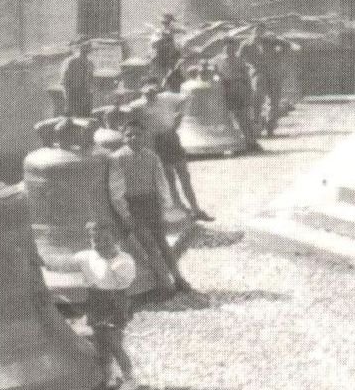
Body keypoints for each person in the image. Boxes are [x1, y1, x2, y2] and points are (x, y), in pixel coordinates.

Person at [109, 119, 193, 294]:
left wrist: (164, 206)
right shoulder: (117, 158)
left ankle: (178, 277)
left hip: (152, 204)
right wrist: (125, 214)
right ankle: (165, 283)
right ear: (123, 138)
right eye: (129, 135)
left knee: (163, 244)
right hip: (133, 207)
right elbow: (116, 190)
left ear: (144, 136)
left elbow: (161, 183)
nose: (133, 138)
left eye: (137, 134)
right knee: (149, 245)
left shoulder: (151, 157)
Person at [63, 221, 138, 390]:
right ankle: (110, 375)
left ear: (115, 240)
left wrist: (107, 262)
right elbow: (63, 263)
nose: (100, 244)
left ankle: (130, 378)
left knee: (114, 341)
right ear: (90, 241)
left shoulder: (123, 261)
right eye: (95, 240)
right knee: (100, 341)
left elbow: (122, 284)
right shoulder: (86, 256)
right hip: (95, 302)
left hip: (114, 302)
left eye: (106, 240)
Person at [129, 77, 213, 221]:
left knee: (184, 175)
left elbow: (187, 97)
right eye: (147, 89)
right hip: (156, 141)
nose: (151, 91)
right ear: (141, 89)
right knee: (169, 177)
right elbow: (135, 124)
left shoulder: (166, 97)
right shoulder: (137, 106)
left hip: (171, 138)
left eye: (153, 88)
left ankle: (196, 209)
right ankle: (180, 208)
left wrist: (179, 116)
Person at [214, 37, 260, 151]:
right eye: (227, 46)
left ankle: (251, 142)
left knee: (244, 117)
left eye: (232, 46)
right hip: (224, 90)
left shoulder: (240, 60)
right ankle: (232, 143)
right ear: (223, 47)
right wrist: (217, 79)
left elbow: (247, 78)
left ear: (235, 48)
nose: (229, 49)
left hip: (239, 90)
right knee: (225, 119)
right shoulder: (217, 61)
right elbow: (214, 74)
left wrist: (249, 92)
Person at [61, 37, 95, 117]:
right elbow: (65, 82)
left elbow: (91, 80)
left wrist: (90, 94)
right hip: (73, 95)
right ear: (79, 47)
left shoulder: (90, 63)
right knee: (73, 122)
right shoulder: (70, 62)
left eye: (89, 46)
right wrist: (68, 101)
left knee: (86, 121)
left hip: (86, 97)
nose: (87, 48)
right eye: (85, 45)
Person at [150, 13, 183, 91]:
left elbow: (178, 46)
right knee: (160, 81)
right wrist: (163, 39)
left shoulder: (174, 33)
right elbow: (153, 44)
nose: (169, 25)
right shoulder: (158, 32)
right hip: (161, 61)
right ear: (163, 24)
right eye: (166, 23)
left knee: (174, 81)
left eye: (170, 23)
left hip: (172, 60)